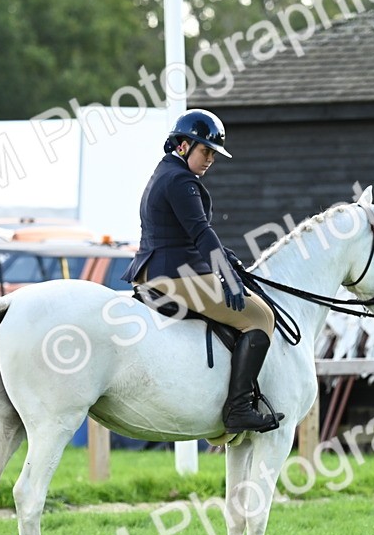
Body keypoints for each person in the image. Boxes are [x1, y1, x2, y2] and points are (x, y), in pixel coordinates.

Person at [121, 109, 284, 433]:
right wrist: (226, 276)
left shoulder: (165, 172)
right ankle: (238, 408)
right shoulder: (181, 180)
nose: (210, 158)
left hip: (159, 269)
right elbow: (200, 232)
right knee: (262, 317)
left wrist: (227, 259)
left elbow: (186, 233)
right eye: (205, 150)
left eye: (213, 153)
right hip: (174, 276)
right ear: (183, 146)